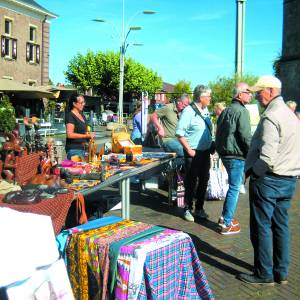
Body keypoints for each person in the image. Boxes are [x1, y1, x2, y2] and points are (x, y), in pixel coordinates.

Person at [237, 75, 300, 285]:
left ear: (271, 91)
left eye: (259, 91)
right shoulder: (290, 115)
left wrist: (254, 173)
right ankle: (280, 272)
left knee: (261, 226)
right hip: (288, 178)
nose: (255, 95)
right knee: (281, 225)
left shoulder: (272, 116)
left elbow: (267, 156)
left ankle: (264, 273)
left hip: (269, 179)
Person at [215, 82, 252, 235]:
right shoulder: (242, 111)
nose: (251, 94)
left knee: (233, 187)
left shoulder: (225, 111)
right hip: (236, 156)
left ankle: (224, 218)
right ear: (239, 95)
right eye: (248, 91)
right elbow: (245, 136)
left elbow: (218, 132)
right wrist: (252, 153)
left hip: (225, 154)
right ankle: (227, 223)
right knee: (235, 188)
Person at [176, 85, 213, 222]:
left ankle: (199, 208)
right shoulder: (188, 111)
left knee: (204, 180)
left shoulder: (206, 110)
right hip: (193, 153)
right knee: (191, 181)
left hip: (205, 152)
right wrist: (189, 150)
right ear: (201, 97)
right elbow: (179, 133)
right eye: (208, 96)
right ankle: (187, 208)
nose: (210, 99)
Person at [65, 94, 95, 160]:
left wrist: (89, 135)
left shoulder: (82, 115)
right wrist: (86, 136)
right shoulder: (70, 115)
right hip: (74, 150)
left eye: (84, 102)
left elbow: (84, 131)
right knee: (79, 169)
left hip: (84, 149)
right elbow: (69, 134)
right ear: (74, 104)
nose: (83, 104)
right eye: (81, 103)